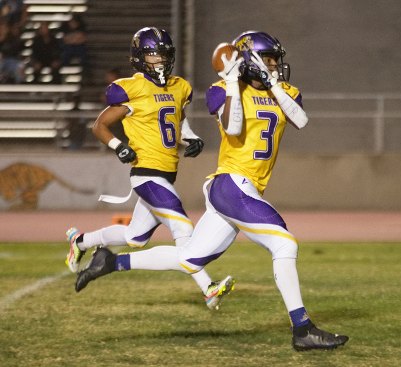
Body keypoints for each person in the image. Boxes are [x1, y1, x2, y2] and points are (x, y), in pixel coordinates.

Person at [75, 30, 349, 351]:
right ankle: (302, 328)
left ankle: (110, 262)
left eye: (276, 62)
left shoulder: (285, 91)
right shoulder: (223, 89)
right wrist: (234, 81)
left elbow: (301, 120)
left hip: (244, 188)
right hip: (231, 183)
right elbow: (232, 128)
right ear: (250, 61)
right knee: (284, 244)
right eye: (270, 61)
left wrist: (271, 83)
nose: (276, 67)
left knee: (190, 258)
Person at [65, 27, 234, 310]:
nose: (161, 60)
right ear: (140, 57)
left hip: (167, 172)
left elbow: (178, 121)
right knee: (182, 225)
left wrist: (190, 138)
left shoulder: (179, 87)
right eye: (154, 54)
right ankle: (208, 287)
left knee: (134, 237)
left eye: (164, 54)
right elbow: (99, 125)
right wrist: (118, 146)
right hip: (145, 173)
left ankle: (81, 242)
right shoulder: (133, 88)